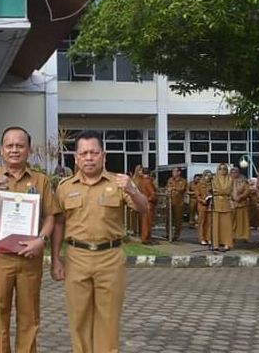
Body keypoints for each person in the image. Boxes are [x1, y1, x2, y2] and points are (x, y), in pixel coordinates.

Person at [0, 127, 59, 353]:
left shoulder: (40, 180)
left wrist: (41, 240)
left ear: (29, 150)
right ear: (1, 150)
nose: (14, 150)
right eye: (10, 146)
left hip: (30, 256)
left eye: (20, 146)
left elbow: (51, 217)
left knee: (29, 315)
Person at [51, 130, 148, 353]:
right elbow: (58, 223)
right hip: (77, 258)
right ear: (76, 158)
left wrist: (132, 190)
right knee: (79, 318)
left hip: (110, 258)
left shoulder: (119, 183)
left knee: (108, 318)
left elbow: (143, 208)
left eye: (94, 152)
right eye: (84, 153)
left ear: (103, 156)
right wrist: (55, 258)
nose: (89, 158)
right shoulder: (65, 187)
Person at [211, 163, 233, 251]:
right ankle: (216, 244)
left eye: (224, 169)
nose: (222, 171)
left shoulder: (230, 179)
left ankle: (227, 244)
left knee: (227, 225)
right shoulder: (214, 179)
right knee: (216, 225)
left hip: (227, 204)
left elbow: (229, 191)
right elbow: (214, 191)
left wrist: (221, 192)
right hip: (216, 204)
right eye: (221, 169)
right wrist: (223, 192)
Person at [134, 166, 157, 245]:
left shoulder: (140, 182)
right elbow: (152, 194)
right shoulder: (148, 181)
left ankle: (144, 237)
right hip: (148, 204)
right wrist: (152, 199)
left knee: (144, 222)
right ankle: (146, 239)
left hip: (142, 203)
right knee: (148, 222)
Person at [165, 167, 187, 241]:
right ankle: (168, 234)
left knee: (178, 220)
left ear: (179, 172)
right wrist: (168, 191)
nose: (173, 173)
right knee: (168, 219)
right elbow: (167, 188)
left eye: (175, 171)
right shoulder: (170, 180)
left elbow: (182, 189)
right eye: (173, 171)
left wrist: (173, 188)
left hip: (179, 203)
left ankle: (176, 235)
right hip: (170, 201)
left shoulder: (183, 181)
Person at [230, 166, 251, 241]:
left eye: (236, 172)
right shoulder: (228, 181)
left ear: (238, 173)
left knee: (243, 221)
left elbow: (247, 190)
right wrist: (231, 197)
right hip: (231, 204)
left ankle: (244, 236)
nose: (234, 174)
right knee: (232, 221)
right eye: (232, 172)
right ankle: (232, 236)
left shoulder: (243, 181)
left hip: (242, 203)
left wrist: (241, 196)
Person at [196, 170, 213, 245]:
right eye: (207, 175)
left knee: (209, 222)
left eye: (209, 175)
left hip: (210, 205)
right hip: (202, 205)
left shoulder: (212, 184)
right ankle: (201, 238)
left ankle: (208, 238)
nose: (208, 177)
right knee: (201, 222)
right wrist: (202, 200)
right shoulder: (200, 184)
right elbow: (197, 195)